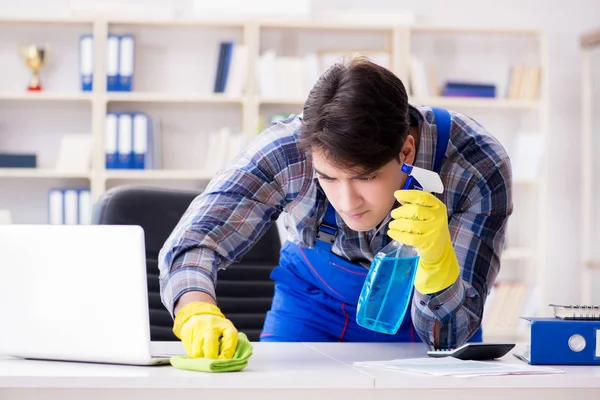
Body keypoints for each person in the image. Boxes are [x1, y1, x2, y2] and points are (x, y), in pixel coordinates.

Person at [158, 57, 513, 359]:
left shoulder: (476, 167)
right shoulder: (287, 150)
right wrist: (195, 310)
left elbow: (451, 338)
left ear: (405, 152)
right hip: (312, 306)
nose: (346, 203)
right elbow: (195, 240)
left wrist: (438, 265)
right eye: (328, 178)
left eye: (366, 177)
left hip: (417, 322)